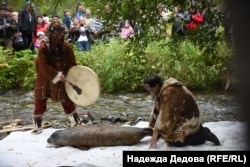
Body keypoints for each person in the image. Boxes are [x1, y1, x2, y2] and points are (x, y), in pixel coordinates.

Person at [143, 74, 221, 148]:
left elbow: (166, 115)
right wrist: (152, 126)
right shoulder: (162, 90)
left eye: (150, 89)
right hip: (180, 116)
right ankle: (198, 131)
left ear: (157, 85)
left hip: (190, 117)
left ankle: (203, 134)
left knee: (177, 141)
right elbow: (157, 110)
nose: (149, 91)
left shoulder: (169, 92)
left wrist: (156, 132)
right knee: (166, 135)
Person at [32, 21, 81, 134]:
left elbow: (71, 63)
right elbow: (43, 65)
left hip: (63, 75)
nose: (58, 36)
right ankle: (37, 125)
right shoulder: (44, 47)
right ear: (50, 33)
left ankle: (75, 121)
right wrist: (56, 75)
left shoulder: (66, 46)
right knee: (41, 97)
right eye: (55, 33)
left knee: (66, 97)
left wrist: (68, 74)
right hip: (44, 76)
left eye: (60, 33)